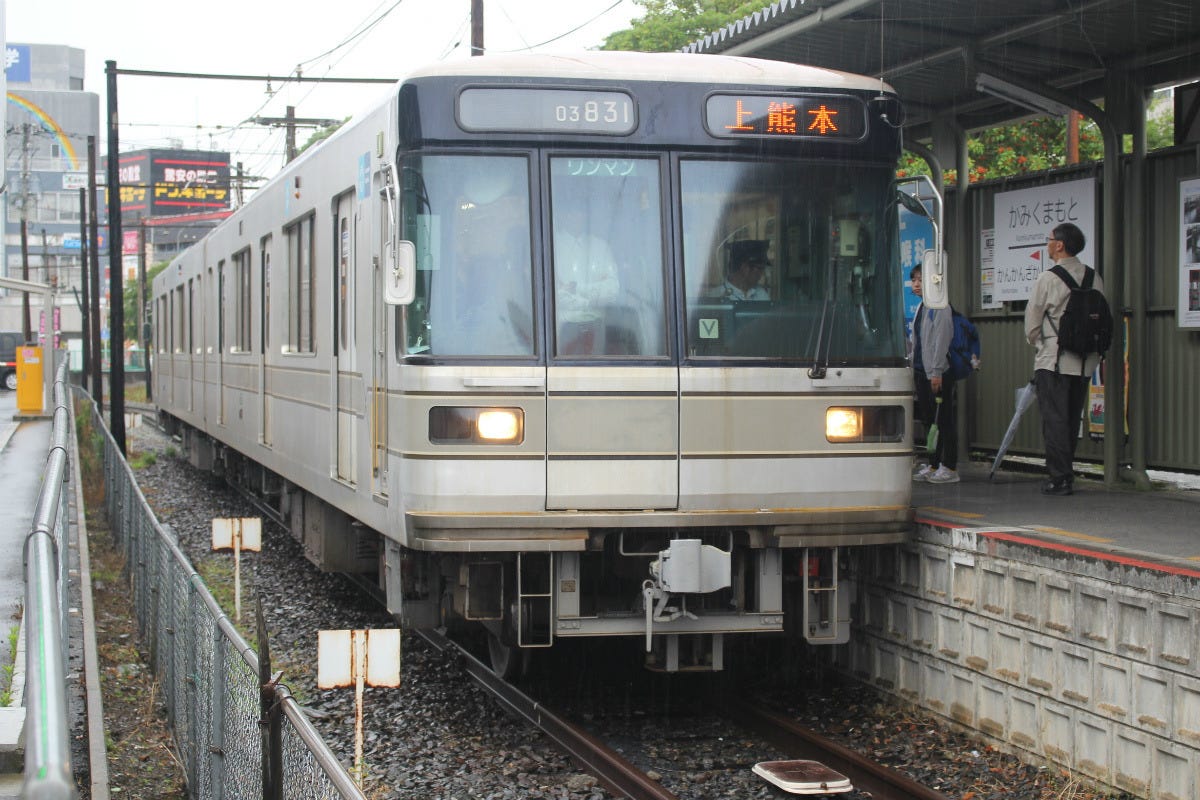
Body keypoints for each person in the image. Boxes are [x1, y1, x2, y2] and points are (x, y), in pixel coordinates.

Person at [1023, 222, 1105, 496]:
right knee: (1071, 418)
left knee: (1054, 419)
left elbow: (1032, 322)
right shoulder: (1094, 277)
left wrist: (1039, 343)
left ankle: (1059, 478)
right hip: (1084, 362)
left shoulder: (1048, 277)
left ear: (1059, 245)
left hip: (1053, 359)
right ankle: (1065, 474)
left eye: (1049, 240)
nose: (1047, 244)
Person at [910, 265, 959, 484]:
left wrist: (937, 371)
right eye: (914, 280)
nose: (916, 284)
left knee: (944, 419)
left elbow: (941, 340)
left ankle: (949, 466)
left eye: (921, 280)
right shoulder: (922, 306)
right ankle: (933, 463)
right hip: (922, 371)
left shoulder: (940, 306)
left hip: (938, 373)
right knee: (930, 420)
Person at [553, 203, 620, 353]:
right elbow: (552, 295)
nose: (576, 216)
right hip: (562, 327)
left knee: (596, 373)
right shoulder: (551, 246)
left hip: (595, 326)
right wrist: (593, 297)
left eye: (580, 212)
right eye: (571, 212)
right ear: (562, 215)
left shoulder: (601, 246)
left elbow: (613, 290)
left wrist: (576, 289)